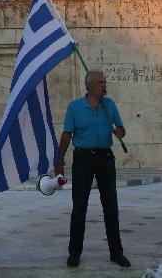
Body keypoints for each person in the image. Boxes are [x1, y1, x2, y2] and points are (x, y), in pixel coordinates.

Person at [54, 69, 130, 268]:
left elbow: (121, 130)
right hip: (83, 159)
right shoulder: (75, 107)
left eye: (104, 82)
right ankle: (74, 253)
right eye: (99, 82)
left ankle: (116, 252)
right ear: (88, 86)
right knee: (79, 207)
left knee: (111, 207)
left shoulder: (109, 105)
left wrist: (118, 131)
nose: (103, 85)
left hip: (105, 158)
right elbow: (67, 135)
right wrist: (59, 160)